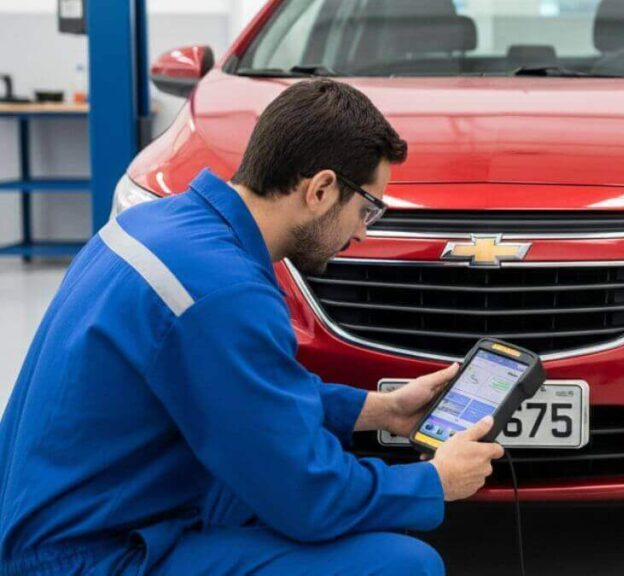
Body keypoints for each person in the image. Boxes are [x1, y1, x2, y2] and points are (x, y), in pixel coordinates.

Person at [0, 79, 504, 575]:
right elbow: (309, 498)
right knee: (401, 564)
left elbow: (244, 396)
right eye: (366, 208)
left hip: (63, 512)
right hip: (84, 557)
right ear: (322, 189)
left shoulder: (161, 224)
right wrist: (433, 481)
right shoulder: (225, 293)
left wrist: (379, 410)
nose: (362, 231)